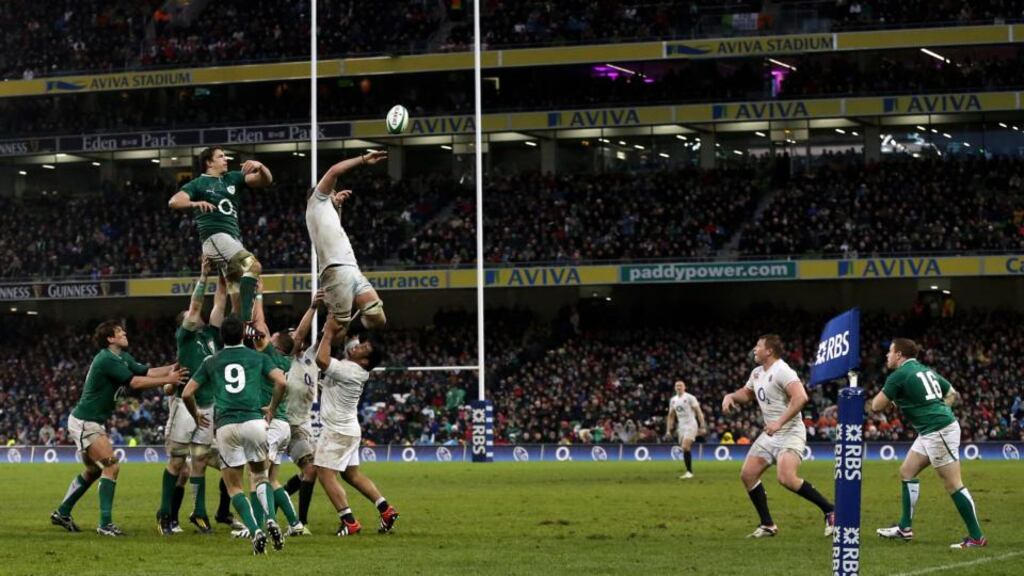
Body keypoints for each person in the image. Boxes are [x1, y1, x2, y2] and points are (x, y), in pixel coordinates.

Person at [51, 320, 186, 536]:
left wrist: (174, 367)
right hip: (86, 421)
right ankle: (105, 524)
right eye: (119, 331)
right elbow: (135, 383)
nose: (124, 333)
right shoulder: (106, 359)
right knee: (111, 466)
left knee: (94, 470)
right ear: (110, 339)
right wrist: (169, 379)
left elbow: (148, 372)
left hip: (86, 421)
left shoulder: (122, 357)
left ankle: (62, 512)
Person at [182, 316, 288, 554]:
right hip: (254, 421)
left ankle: (255, 530)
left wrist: (196, 414)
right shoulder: (258, 357)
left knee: (234, 486)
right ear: (242, 335)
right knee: (260, 476)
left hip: (226, 425)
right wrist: (272, 408)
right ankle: (271, 519)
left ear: (222, 337)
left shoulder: (211, 361)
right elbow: (281, 381)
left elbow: (187, 393)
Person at [285, 317, 398, 536]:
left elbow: (322, 360)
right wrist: (344, 321)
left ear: (365, 360)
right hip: (349, 429)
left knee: (324, 473)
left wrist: (328, 333)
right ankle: (386, 510)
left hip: (337, 431)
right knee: (351, 475)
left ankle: (349, 521)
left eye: (363, 348)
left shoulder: (350, 370)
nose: (357, 347)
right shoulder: (356, 365)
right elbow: (349, 338)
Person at [871, 338, 986, 549]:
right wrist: (939, 408)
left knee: (953, 484)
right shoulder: (925, 370)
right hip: (931, 430)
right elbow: (951, 393)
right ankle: (904, 527)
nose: (887, 355)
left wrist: (902, 401)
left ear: (899, 355)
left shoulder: (899, 375)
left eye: (890, 352)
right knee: (907, 471)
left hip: (938, 430)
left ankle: (977, 537)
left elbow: (876, 406)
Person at [721, 334, 835, 538]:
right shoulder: (757, 373)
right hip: (771, 433)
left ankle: (830, 510)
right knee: (748, 474)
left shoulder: (783, 371)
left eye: (758, 346)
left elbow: (801, 397)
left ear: (769, 351)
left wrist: (779, 422)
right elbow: (747, 394)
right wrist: (731, 396)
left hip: (790, 431)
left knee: (786, 478)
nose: (754, 349)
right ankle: (767, 524)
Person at [167, 146, 273, 323]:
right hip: (215, 238)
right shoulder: (198, 184)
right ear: (209, 162)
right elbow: (174, 201)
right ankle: (247, 322)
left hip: (232, 241)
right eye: (221, 156)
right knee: (253, 266)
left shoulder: (233, 178)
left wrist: (260, 167)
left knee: (236, 294)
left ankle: (238, 331)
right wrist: (195, 203)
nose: (226, 159)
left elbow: (266, 180)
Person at [306, 151, 388, 340]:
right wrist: (363, 159)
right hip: (336, 271)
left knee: (378, 318)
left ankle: (346, 329)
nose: (335, 194)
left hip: (351, 268)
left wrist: (337, 207)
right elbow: (334, 171)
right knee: (336, 335)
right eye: (333, 192)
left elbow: (335, 230)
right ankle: (323, 345)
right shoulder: (316, 200)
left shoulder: (322, 211)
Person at [665, 380, 706, 479]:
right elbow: (671, 416)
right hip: (681, 426)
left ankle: (689, 472)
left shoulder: (690, 397)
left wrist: (702, 426)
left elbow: (699, 412)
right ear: (675, 388)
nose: (679, 387)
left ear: (684, 387)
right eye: (677, 386)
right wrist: (668, 430)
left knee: (685, 446)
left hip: (691, 424)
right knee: (686, 449)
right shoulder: (673, 400)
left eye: (680, 385)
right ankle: (689, 471)